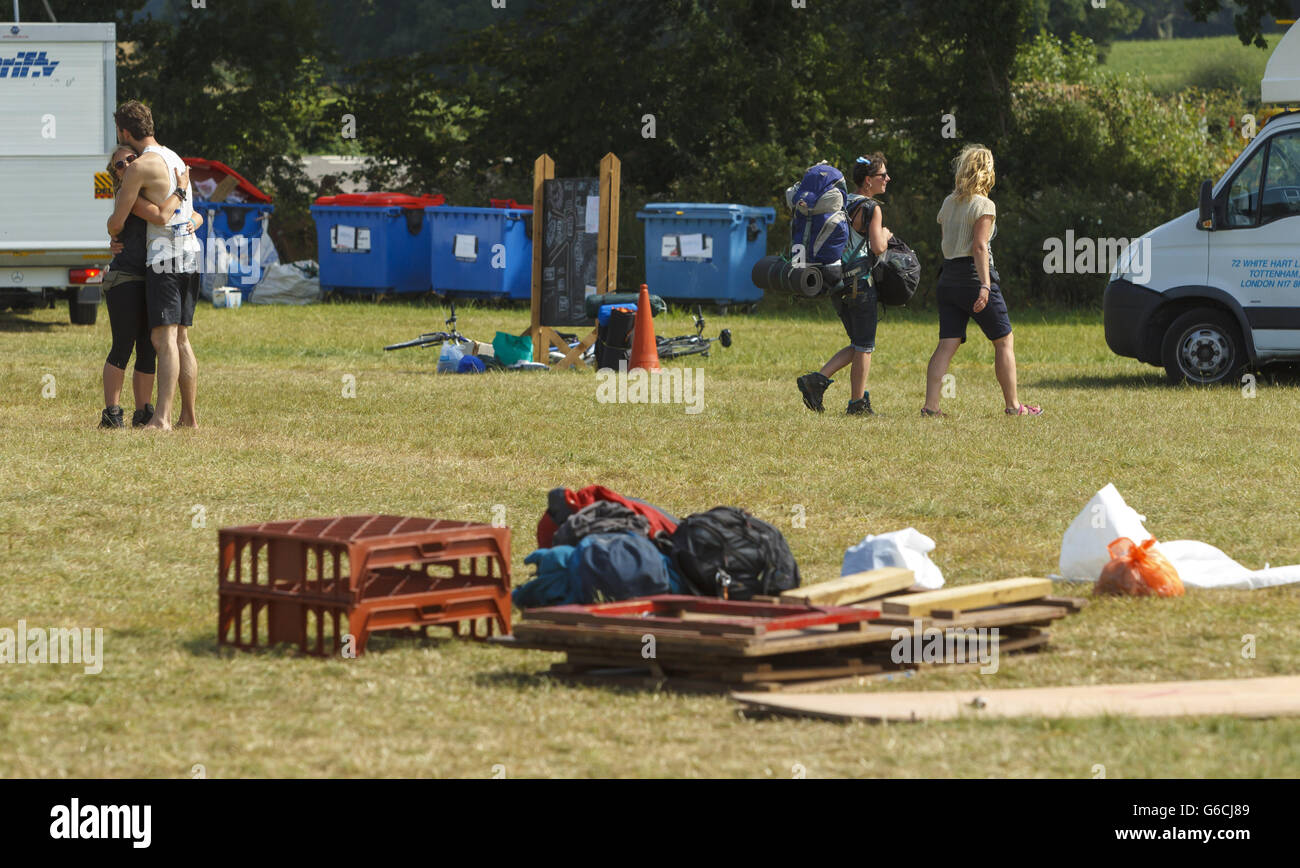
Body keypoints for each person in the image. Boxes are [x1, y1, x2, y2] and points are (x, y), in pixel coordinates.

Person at [921, 144, 1041, 417]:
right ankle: (1013, 406)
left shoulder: (948, 203)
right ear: (986, 171)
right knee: (1003, 340)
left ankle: (931, 407)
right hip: (973, 277)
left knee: (946, 344)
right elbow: (979, 247)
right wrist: (985, 285)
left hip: (948, 277)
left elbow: (946, 242)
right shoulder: (984, 205)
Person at [107, 100, 203, 432]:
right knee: (181, 340)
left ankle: (161, 419)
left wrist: (118, 224)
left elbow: (117, 221)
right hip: (191, 255)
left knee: (163, 339)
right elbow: (187, 212)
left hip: (164, 259)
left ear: (124, 131)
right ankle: (188, 418)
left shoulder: (139, 167)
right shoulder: (175, 158)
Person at [797, 153, 893, 416]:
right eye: (881, 175)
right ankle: (856, 403)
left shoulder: (841, 202)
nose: (887, 179)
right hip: (860, 284)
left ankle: (818, 381)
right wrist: (885, 235)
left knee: (858, 342)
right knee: (864, 346)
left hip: (837, 282)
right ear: (867, 181)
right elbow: (877, 247)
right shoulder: (872, 208)